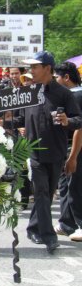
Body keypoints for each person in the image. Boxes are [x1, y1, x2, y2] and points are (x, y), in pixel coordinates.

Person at [17, 51, 82, 253]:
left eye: (35, 67)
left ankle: (34, 227)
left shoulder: (64, 94)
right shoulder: (27, 92)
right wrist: (20, 128)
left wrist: (67, 121)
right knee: (43, 192)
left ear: (47, 69)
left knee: (48, 191)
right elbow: (19, 118)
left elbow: (78, 120)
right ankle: (48, 236)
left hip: (56, 153)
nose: (31, 71)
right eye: (30, 67)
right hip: (34, 153)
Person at [54, 62, 82, 241]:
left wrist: (73, 156)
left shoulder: (77, 96)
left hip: (76, 147)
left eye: (57, 76)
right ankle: (67, 223)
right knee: (65, 185)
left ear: (66, 77)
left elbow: (80, 128)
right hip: (67, 147)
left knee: (76, 187)